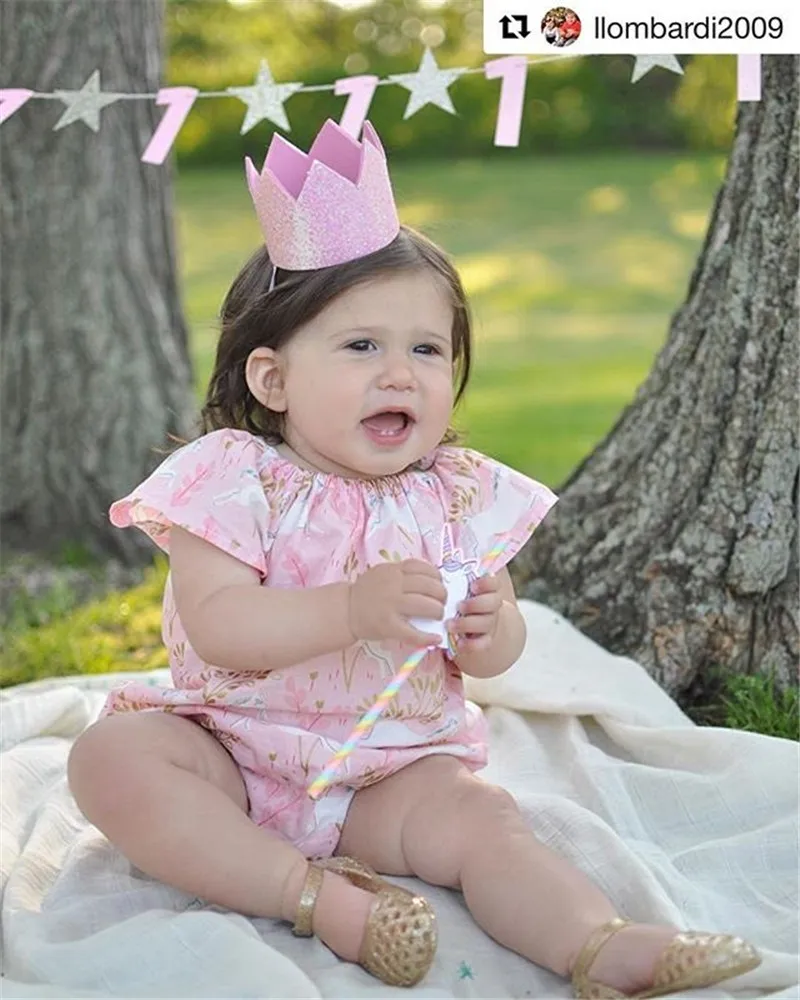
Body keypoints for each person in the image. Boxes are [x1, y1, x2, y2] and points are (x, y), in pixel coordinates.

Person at [67, 119, 761, 998]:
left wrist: (490, 631)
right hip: (230, 753)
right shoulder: (233, 478)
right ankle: (317, 898)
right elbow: (218, 626)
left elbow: (495, 642)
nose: (400, 373)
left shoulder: (455, 494)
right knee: (113, 759)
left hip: (390, 770)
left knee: (483, 820)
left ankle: (602, 947)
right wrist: (350, 610)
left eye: (426, 349)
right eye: (362, 345)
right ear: (273, 379)